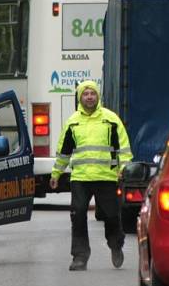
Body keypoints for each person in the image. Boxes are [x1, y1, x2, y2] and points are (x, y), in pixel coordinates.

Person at [49, 80, 132, 271]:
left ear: (98, 96)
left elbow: (124, 148)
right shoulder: (72, 122)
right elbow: (64, 152)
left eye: (92, 93)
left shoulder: (111, 119)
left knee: (111, 216)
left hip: (106, 177)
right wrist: (56, 173)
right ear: (80, 97)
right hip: (81, 178)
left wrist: (124, 168)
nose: (89, 97)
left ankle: (115, 244)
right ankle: (80, 257)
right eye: (85, 94)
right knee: (77, 216)